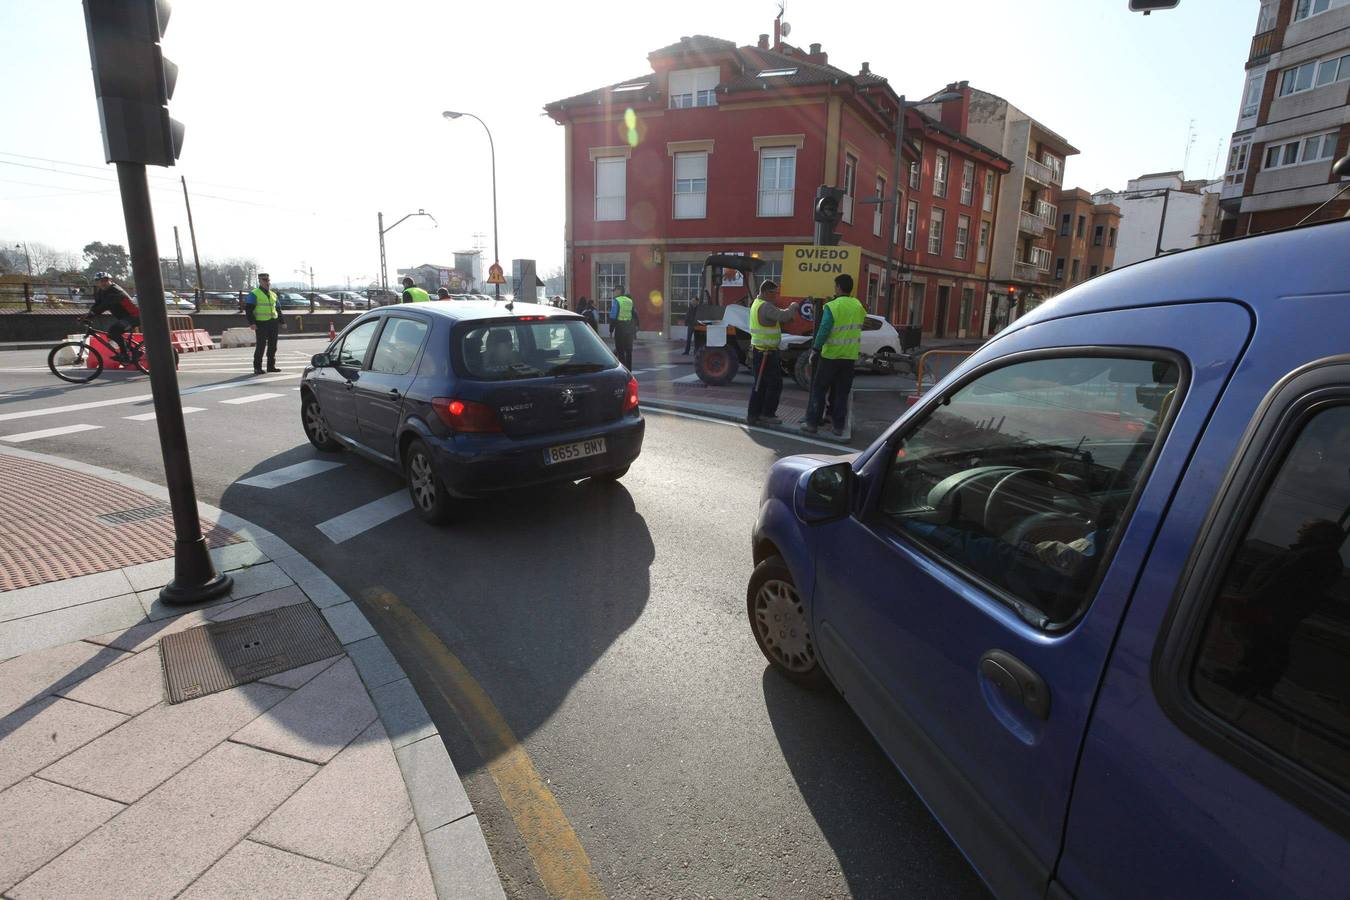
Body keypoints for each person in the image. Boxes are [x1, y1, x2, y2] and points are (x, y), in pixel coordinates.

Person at [801, 273, 865, 437]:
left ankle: (812, 423)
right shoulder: (858, 306)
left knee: (819, 389)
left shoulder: (832, 306)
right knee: (842, 392)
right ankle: (838, 426)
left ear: (838, 287)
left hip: (830, 357)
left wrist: (815, 349)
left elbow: (824, 330)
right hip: (849, 357)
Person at [745, 280, 799, 426]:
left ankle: (754, 415)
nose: (776, 296)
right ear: (766, 292)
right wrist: (793, 306)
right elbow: (784, 316)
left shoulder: (756, 304)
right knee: (774, 384)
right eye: (774, 293)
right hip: (766, 354)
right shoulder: (766, 306)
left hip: (760, 351)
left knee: (760, 385)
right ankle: (767, 414)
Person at [84, 272, 140, 363]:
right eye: (99, 281)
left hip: (134, 317)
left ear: (110, 281)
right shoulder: (101, 292)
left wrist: (92, 315)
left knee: (114, 331)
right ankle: (133, 351)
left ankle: (124, 355)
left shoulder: (115, 291)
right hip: (125, 317)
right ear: (97, 283)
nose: (102, 283)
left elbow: (105, 305)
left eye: (105, 281)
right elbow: (97, 305)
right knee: (113, 333)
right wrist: (87, 315)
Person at [244, 272, 281, 374]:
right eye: (264, 280)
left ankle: (271, 366)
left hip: (273, 322)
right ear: (259, 281)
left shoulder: (273, 294)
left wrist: (282, 321)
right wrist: (252, 323)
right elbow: (248, 310)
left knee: (273, 345)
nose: (267, 282)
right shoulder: (254, 293)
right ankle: (257, 367)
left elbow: (278, 308)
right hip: (261, 323)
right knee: (261, 345)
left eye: (268, 280)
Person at [609, 287, 638, 369]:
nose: (613, 293)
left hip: (620, 327)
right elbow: (633, 314)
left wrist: (611, 330)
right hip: (629, 328)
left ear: (619, 291)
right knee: (629, 351)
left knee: (620, 350)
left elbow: (613, 316)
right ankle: (629, 370)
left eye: (614, 291)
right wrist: (634, 329)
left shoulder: (617, 300)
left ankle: (623, 370)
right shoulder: (629, 300)